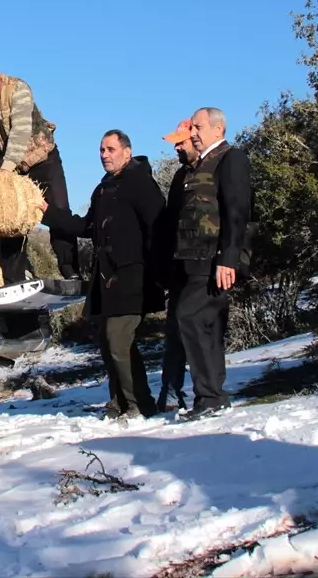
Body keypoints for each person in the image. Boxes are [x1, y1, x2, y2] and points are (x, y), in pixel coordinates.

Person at [42, 130, 166, 420]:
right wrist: (49, 214)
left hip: (133, 276)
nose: (104, 155)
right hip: (106, 279)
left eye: (110, 149)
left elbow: (158, 230)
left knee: (118, 341)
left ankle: (138, 405)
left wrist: (159, 274)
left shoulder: (141, 183)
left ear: (127, 151)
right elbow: (87, 227)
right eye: (101, 150)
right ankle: (119, 403)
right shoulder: (103, 188)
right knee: (110, 344)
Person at [0, 57, 79, 281]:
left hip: (41, 160)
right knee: (8, 223)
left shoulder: (18, 89)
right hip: (7, 168)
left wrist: (5, 170)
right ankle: (14, 280)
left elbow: (20, 131)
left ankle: (71, 273)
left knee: (58, 214)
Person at [171, 107, 254, 419]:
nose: (193, 132)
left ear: (218, 129)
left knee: (189, 317)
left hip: (214, 259)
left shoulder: (231, 159)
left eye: (198, 126)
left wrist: (228, 258)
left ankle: (209, 397)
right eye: (192, 127)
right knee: (205, 324)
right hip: (193, 259)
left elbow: (237, 210)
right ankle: (212, 396)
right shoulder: (198, 164)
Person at [155, 119, 200, 412]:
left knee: (200, 331)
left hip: (203, 266)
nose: (177, 147)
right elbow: (169, 222)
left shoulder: (214, 170)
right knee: (175, 332)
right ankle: (171, 392)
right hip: (179, 268)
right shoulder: (180, 176)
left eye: (181, 141)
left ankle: (207, 392)